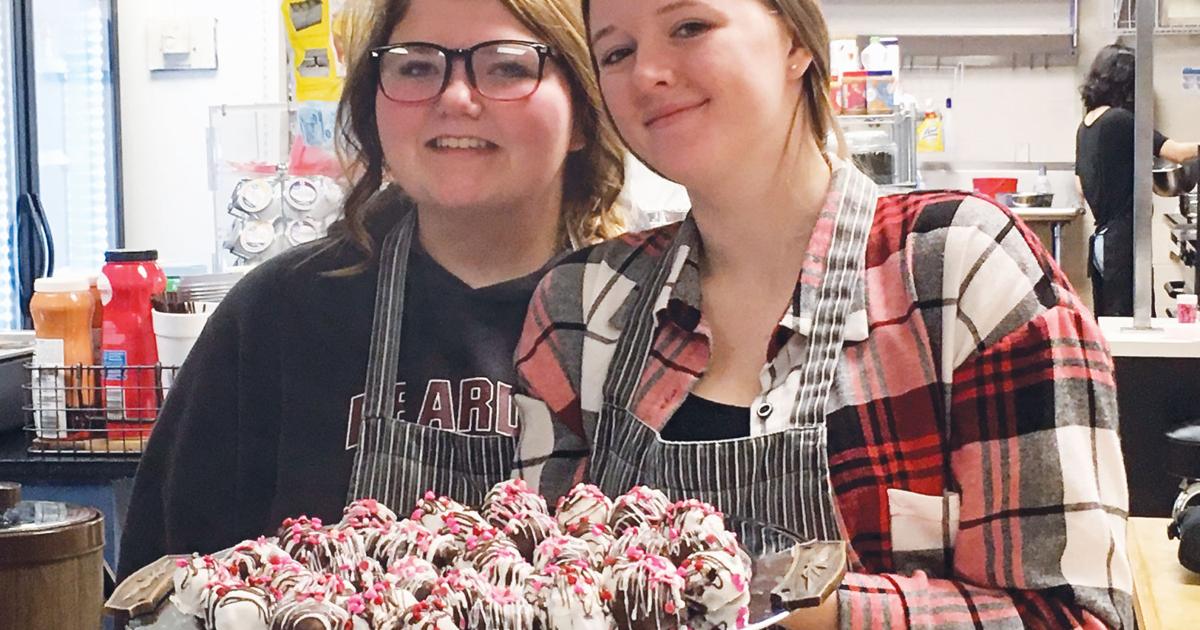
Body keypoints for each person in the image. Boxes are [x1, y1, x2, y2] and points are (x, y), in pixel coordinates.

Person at [513, 0, 1133, 627]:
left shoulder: (962, 275)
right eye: (617, 52)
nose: (647, 74)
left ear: (796, 42)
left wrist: (798, 608)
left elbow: (1077, 615)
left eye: (689, 27)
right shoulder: (584, 306)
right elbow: (534, 592)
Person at [118, 0, 625, 579]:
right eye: (415, 67)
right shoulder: (275, 318)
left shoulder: (648, 324)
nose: (456, 97)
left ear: (585, 113)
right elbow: (161, 586)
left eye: (508, 66)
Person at [1076, 43, 1199, 317]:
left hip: (1101, 243)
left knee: (1110, 327)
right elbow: (1176, 153)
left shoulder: (1086, 125)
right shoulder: (1121, 120)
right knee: (1136, 327)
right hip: (1122, 244)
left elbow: (1080, 185)